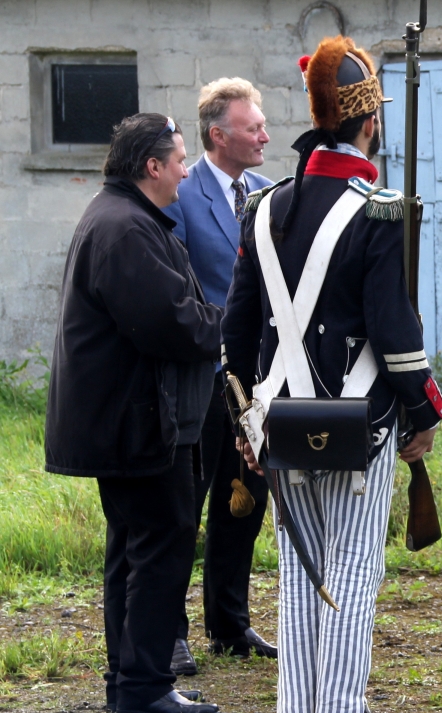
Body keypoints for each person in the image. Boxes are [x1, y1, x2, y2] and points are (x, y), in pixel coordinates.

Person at [222, 36, 442, 713]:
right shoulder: (378, 212)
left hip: (280, 421)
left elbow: (236, 332)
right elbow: (395, 331)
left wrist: (248, 420)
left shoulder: (261, 208)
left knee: (298, 566)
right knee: (351, 567)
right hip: (361, 422)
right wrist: (425, 411)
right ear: (368, 123)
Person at [44, 113, 222, 713]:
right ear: (152, 166)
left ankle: (129, 681)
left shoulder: (122, 217)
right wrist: (232, 329)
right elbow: (167, 324)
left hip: (128, 419)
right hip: (140, 423)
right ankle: (145, 687)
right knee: (160, 545)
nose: (184, 172)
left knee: (133, 546)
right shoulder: (124, 227)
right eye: (178, 161)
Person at [163, 77, 275, 676]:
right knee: (188, 503)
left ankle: (229, 624)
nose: (264, 135)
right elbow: (181, 285)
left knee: (246, 500)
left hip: (255, 380)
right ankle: (172, 632)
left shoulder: (265, 194)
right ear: (217, 135)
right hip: (204, 379)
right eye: (253, 126)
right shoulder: (183, 196)